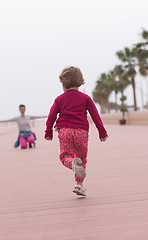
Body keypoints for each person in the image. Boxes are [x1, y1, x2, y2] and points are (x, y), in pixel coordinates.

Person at [45, 66, 108, 197]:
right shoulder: (85, 98)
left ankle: (73, 166)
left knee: (65, 156)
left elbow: (52, 115)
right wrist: (102, 132)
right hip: (81, 132)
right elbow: (95, 115)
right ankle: (79, 185)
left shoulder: (60, 99)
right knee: (82, 159)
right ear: (80, 81)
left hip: (65, 131)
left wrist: (48, 132)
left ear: (63, 83)